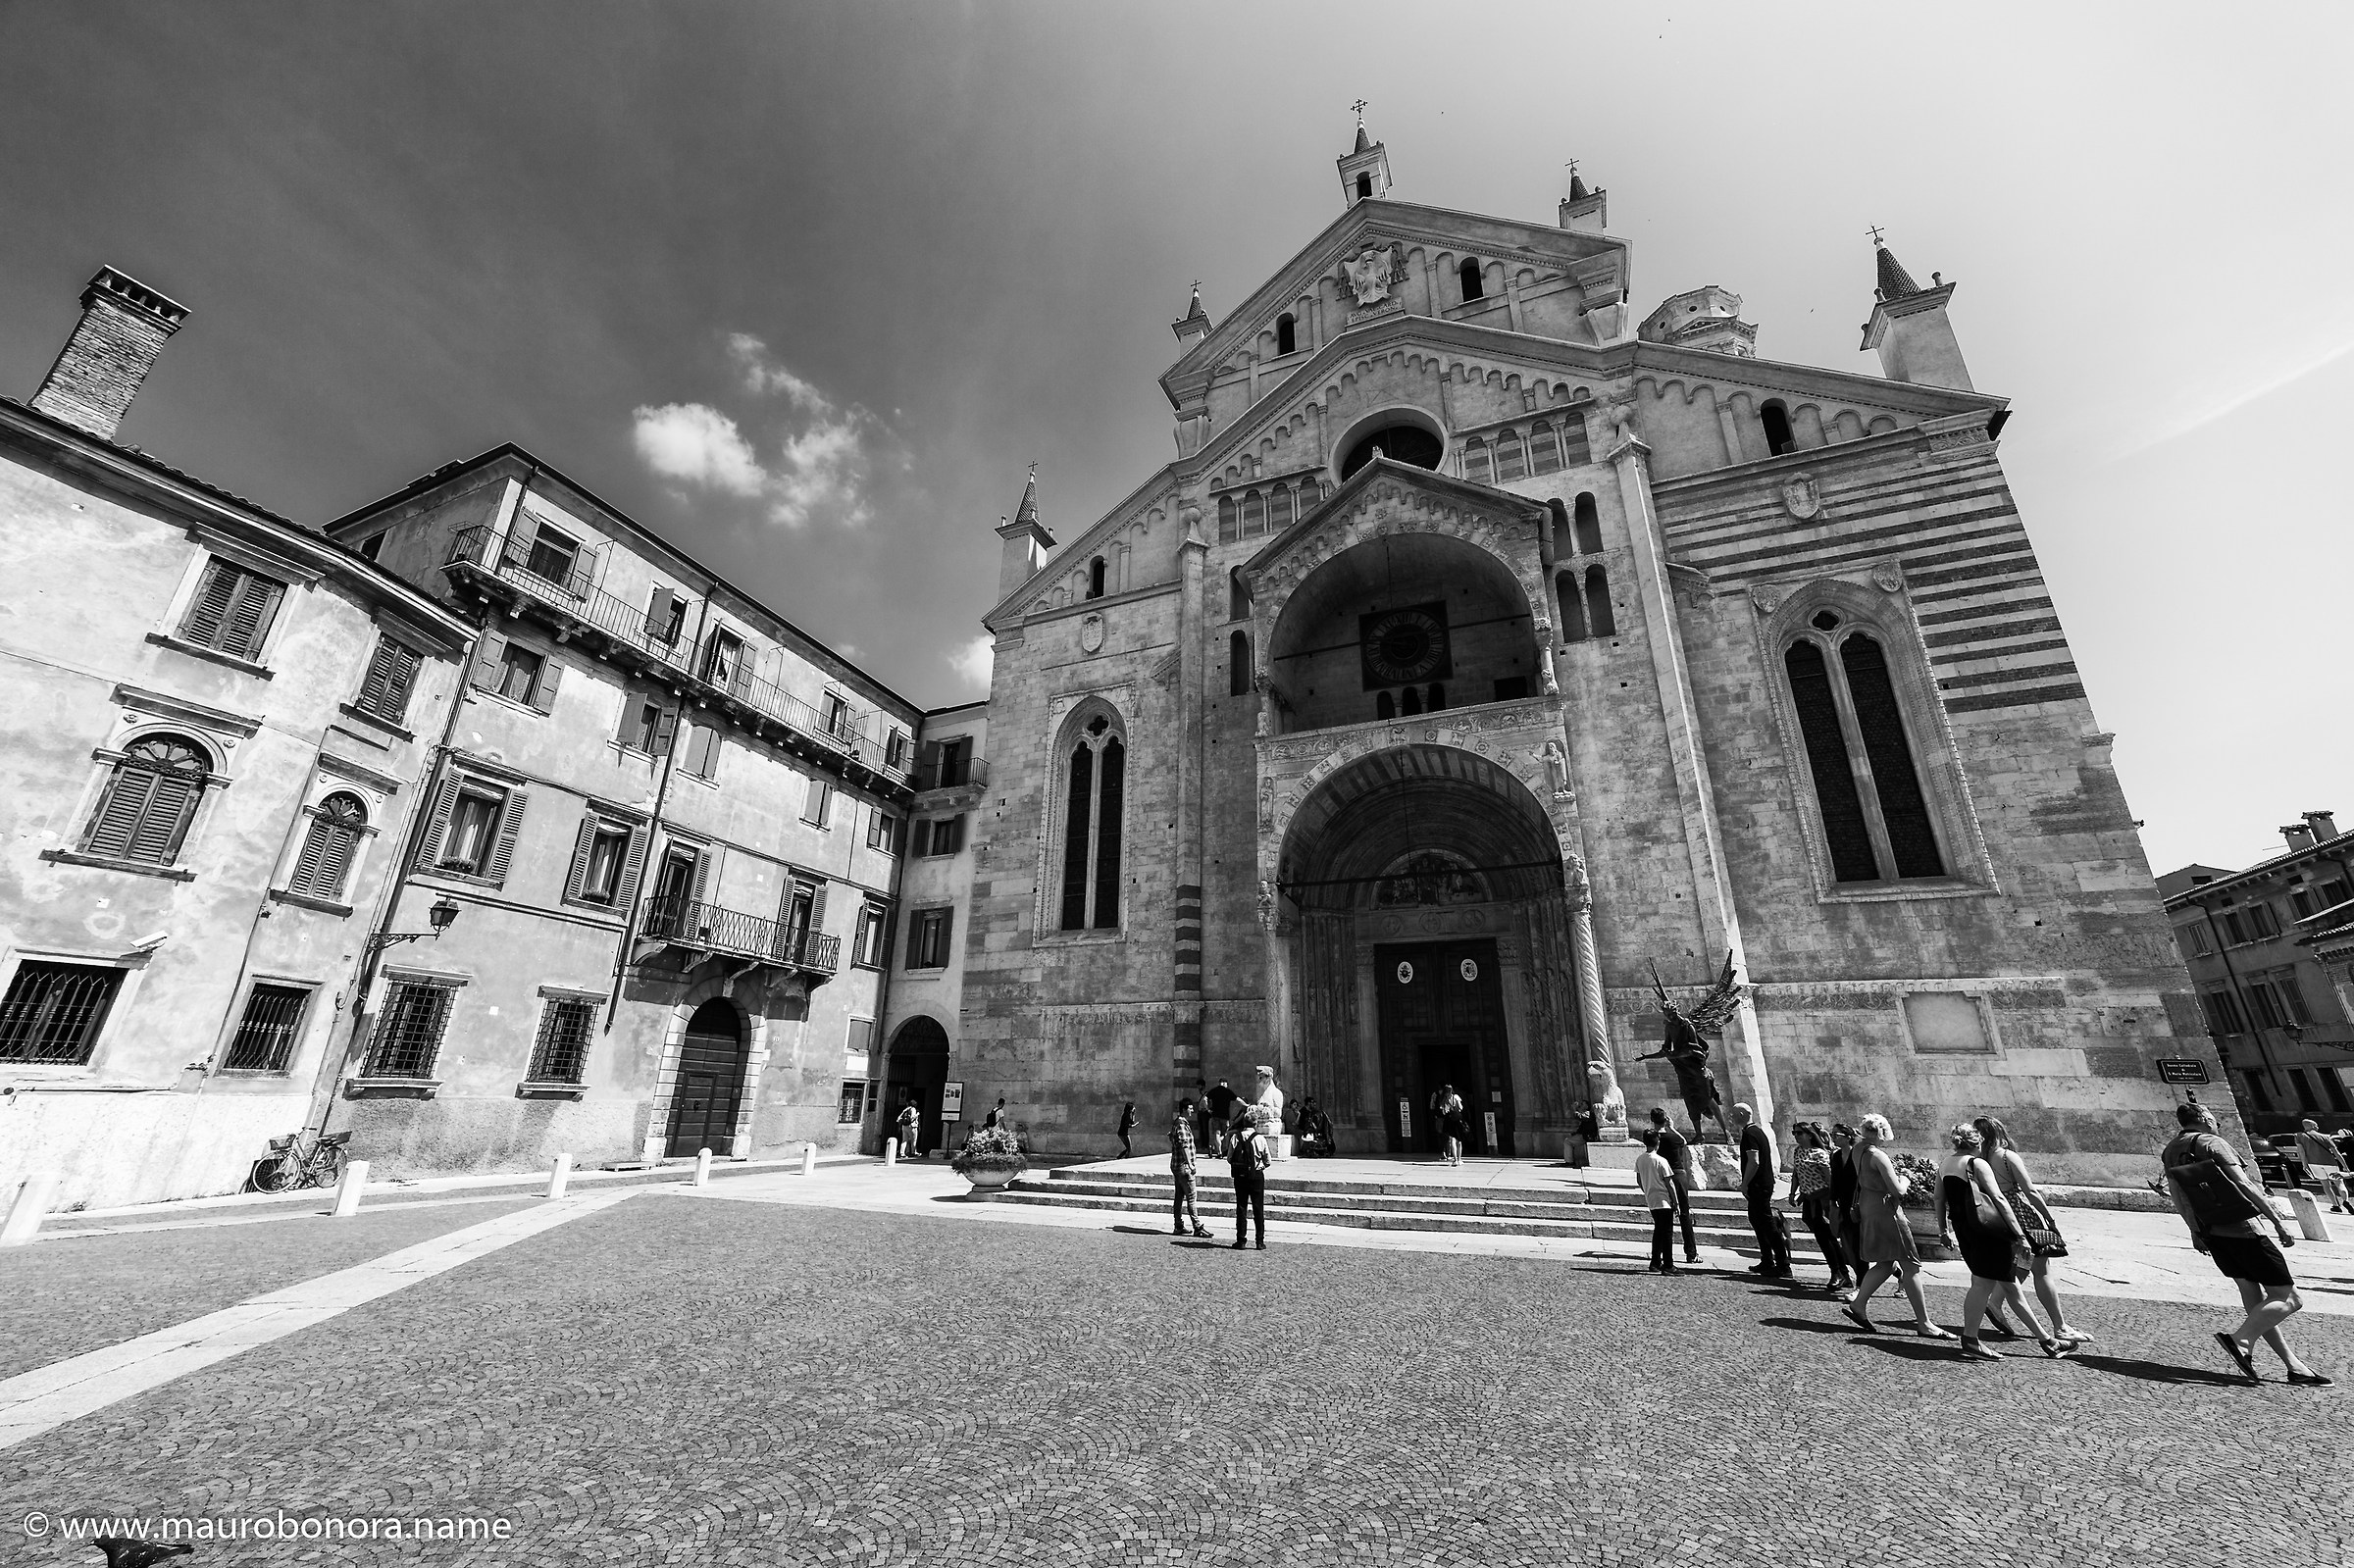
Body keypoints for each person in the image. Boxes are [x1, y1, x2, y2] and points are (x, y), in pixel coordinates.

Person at [2162, 1099, 2330, 1386]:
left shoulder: (2170, 1150)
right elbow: (2244, 1184)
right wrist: (2275, 1219)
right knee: (2289, 1298)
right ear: (2203, 1117)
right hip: (2245, 1229)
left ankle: (2294, 1366)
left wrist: (2194, 1230)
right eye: (2214, 1117)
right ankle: (2240, 1341)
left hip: (2212, 1232)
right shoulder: (2212, 1142)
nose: (2217, 1123)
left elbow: (2179, 1196)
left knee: (2254, 1301)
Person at [1933, 1125, 2073, 1361]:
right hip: (1988, 1232)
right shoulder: (1977, 1164)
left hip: (1964, 1230)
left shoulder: (1945, 1164)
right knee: (1990, 1285)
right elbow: (1998, 1198)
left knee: (2000, 1285)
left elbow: (1939, 1197)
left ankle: (2048, 1341)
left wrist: (1943, 1230)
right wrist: (2019, 1234)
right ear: (1977, 1143)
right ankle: (1972, 1340)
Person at [1973, 1115, 2089, 1344]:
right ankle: (2060, 1327)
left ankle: (1994, 1302)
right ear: (1999, 1132)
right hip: (2018, 1213)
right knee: (2041, 1268)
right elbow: (2031, 1192)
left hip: (1993, 1214)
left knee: (2020, 1264)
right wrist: (2049, 1218)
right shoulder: (2007, 1157)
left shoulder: (1976, 1160)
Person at [1843, 1114, 1951, 1340]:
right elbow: (1898, 1191)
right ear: (1882, 1132)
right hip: (1885, 1211)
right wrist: (1905, 1179)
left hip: (1868, 1207)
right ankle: (1924, 1323)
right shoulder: (1878, 1155)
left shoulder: (1857, 1149)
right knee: (1910, 1266)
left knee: (1884, 1262)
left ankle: (1859, 1304)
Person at [1787, 1123, 1853, 1296]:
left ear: (1809, 1135)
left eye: (1799, 1133)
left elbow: (1830, 1180)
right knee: (1823, 1237)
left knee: (1827, 1237)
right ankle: (1842, 1273)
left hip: (1823, 1200)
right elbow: (1796, 1173)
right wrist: (1793, 1193)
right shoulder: (1798, 1151)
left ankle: (1838, 1272)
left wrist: (1832, 1202)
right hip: (1809, 1199)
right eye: (1794, 1133)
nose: (1796, 1136)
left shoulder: (1820, 1154)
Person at [1728, 1103, 1788, 1279]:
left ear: (1741, 1114)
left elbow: (1754, 1161)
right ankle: (1767, 1259)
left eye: (1733, 1114)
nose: (1731, 1117)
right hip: (1762, 1184)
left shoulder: (1750, 1134)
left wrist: (1744, 1183)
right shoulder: (1757, 1132)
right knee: (1757, 1220)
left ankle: (1783, 1264)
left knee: (1767, 1223)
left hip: (1758, 1185)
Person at [1648, 1107, 1700, 1265]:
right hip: (1678, 1175)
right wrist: (1672, 1127)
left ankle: (1662, 1253)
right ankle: (1691, 1253)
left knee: (1664, 1218)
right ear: (1665, 1120)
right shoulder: (1673, 1137)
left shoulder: (1653, 1138)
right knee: (1684, 1214)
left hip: (1662, 1178)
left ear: (1652, 1120)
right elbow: (1684, 1142)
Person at [1634, 1130, 1680, 1275]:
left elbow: (1639, 1180)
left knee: (1659, 1231)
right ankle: (1668, 1265)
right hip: (1663, 1200)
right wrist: (1676, 1202)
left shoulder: (1640, 1159)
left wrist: (1647, 1190)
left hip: (1651, 1200)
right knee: (1666, 1233)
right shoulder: (1661, 1161)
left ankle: (1655, 1262)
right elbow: (1669, 1183)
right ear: (1657, 1143)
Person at [1168, 1097, 1211, 1239]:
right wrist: (1190, 1164)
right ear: (1185, 1109)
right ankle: (1197, 1226)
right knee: (1191, 1197)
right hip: (1183, 1166)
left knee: (1179, 1196)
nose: (1192, 1110)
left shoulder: (1179, 1123)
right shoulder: (1181, 1124)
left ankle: (1178, 1225)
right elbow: (1184, 1145)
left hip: (1177, 1165)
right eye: (1191, 1108)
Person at [1227, 1104, 1269, 1250]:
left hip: (1240, 1176)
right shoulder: (1260, 1139)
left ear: (1244, 1123)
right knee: (1258, 1208)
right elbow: (1268, 1161)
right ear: (1255, 1124)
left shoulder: (1235, 1137)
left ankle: (1241, 1240)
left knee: (1241, 1207)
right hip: (1256, 1176)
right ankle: (1259, 1241)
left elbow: (1229, 1158)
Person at [1828, 1123, 1863, 1283]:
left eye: (1837, 1135)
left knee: (1859, 1245)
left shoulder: (1858, 1155)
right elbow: (1834, 1180)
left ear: (1848, 1138)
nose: (1833, 1137)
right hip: (1842, 1205)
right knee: (1849, 1245)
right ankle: (1858, 1279)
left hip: (1857, 1205)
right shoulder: (1835, 1156)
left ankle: (1897, 1274)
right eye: (1832, 1134)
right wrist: (1832, 1200)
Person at [2293, 1118, 2350, 1213]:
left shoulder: (2298, 1136)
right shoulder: (2325, 1137)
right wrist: (2345, 1166)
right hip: (2330, 1163)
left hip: (2314, 1164)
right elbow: (2336, 1153)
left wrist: (2304, 1164)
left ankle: (2336, 1206)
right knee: (2339, 1183)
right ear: (2312, 1126)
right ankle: (2346, 1201)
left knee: (2326, 1185)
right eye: (2316, 1125)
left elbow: (2302, 1152)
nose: (2317, 1127)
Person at [1205, 1079, 1238, 1154]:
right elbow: (1237, 1099)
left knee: (1217, 1133)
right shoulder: (1228, 1091)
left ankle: (1219, 1151)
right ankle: (1223, 1148)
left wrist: (1208, 1109)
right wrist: (1246, 1105)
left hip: (1215, 1115)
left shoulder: (1214, 1090)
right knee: (1225, 1134)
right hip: (1225, 1116)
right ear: (1225, 1083)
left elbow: (1204, 1099)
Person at [1440, 1085, 1467, 1166]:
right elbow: (1461, 1108)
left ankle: (1455, 1159)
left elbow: (1443, 1112)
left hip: (1449, 1120)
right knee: (1459, 1141)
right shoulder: (1456, 1097)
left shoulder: (1444, 1100)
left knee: (1452, 1139)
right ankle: (1459, 1159)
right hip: (1457, 1119)